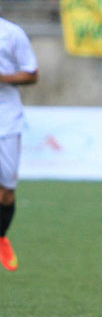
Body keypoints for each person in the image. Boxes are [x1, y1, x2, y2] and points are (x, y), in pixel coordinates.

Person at [0, 15, 39, 271]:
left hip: (6, 121)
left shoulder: (11, 33)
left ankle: (1, 237)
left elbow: (32, 74)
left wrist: (2, 78)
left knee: (5, 190)